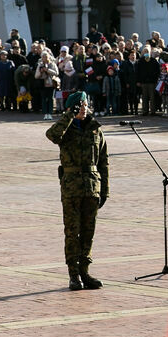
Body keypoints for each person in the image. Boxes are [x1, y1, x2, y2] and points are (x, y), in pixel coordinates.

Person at [46, 91, 109, 291]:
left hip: (92, 187)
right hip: (71, 188)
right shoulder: (65, 128)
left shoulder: (95, 130)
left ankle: (85, 271)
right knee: (72, 232)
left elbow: (104, 163)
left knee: (88, 232)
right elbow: (52, 135)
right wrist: (69, 116)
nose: (84, 108)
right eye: (79, 105)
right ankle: (73, 274)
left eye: (85, 104)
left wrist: (105, 190)